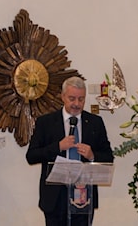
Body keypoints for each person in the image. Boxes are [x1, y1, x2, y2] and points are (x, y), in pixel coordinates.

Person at [26, 76, 114, 226]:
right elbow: (31, 156)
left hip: (84, 196)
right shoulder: (45, 122)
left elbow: (108, 157)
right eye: (72, 98)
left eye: (81, 99)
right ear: (63, 96)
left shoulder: (95, 122)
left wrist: (92, 155)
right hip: (54, 197)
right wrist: (58, 147)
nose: (76, 104)